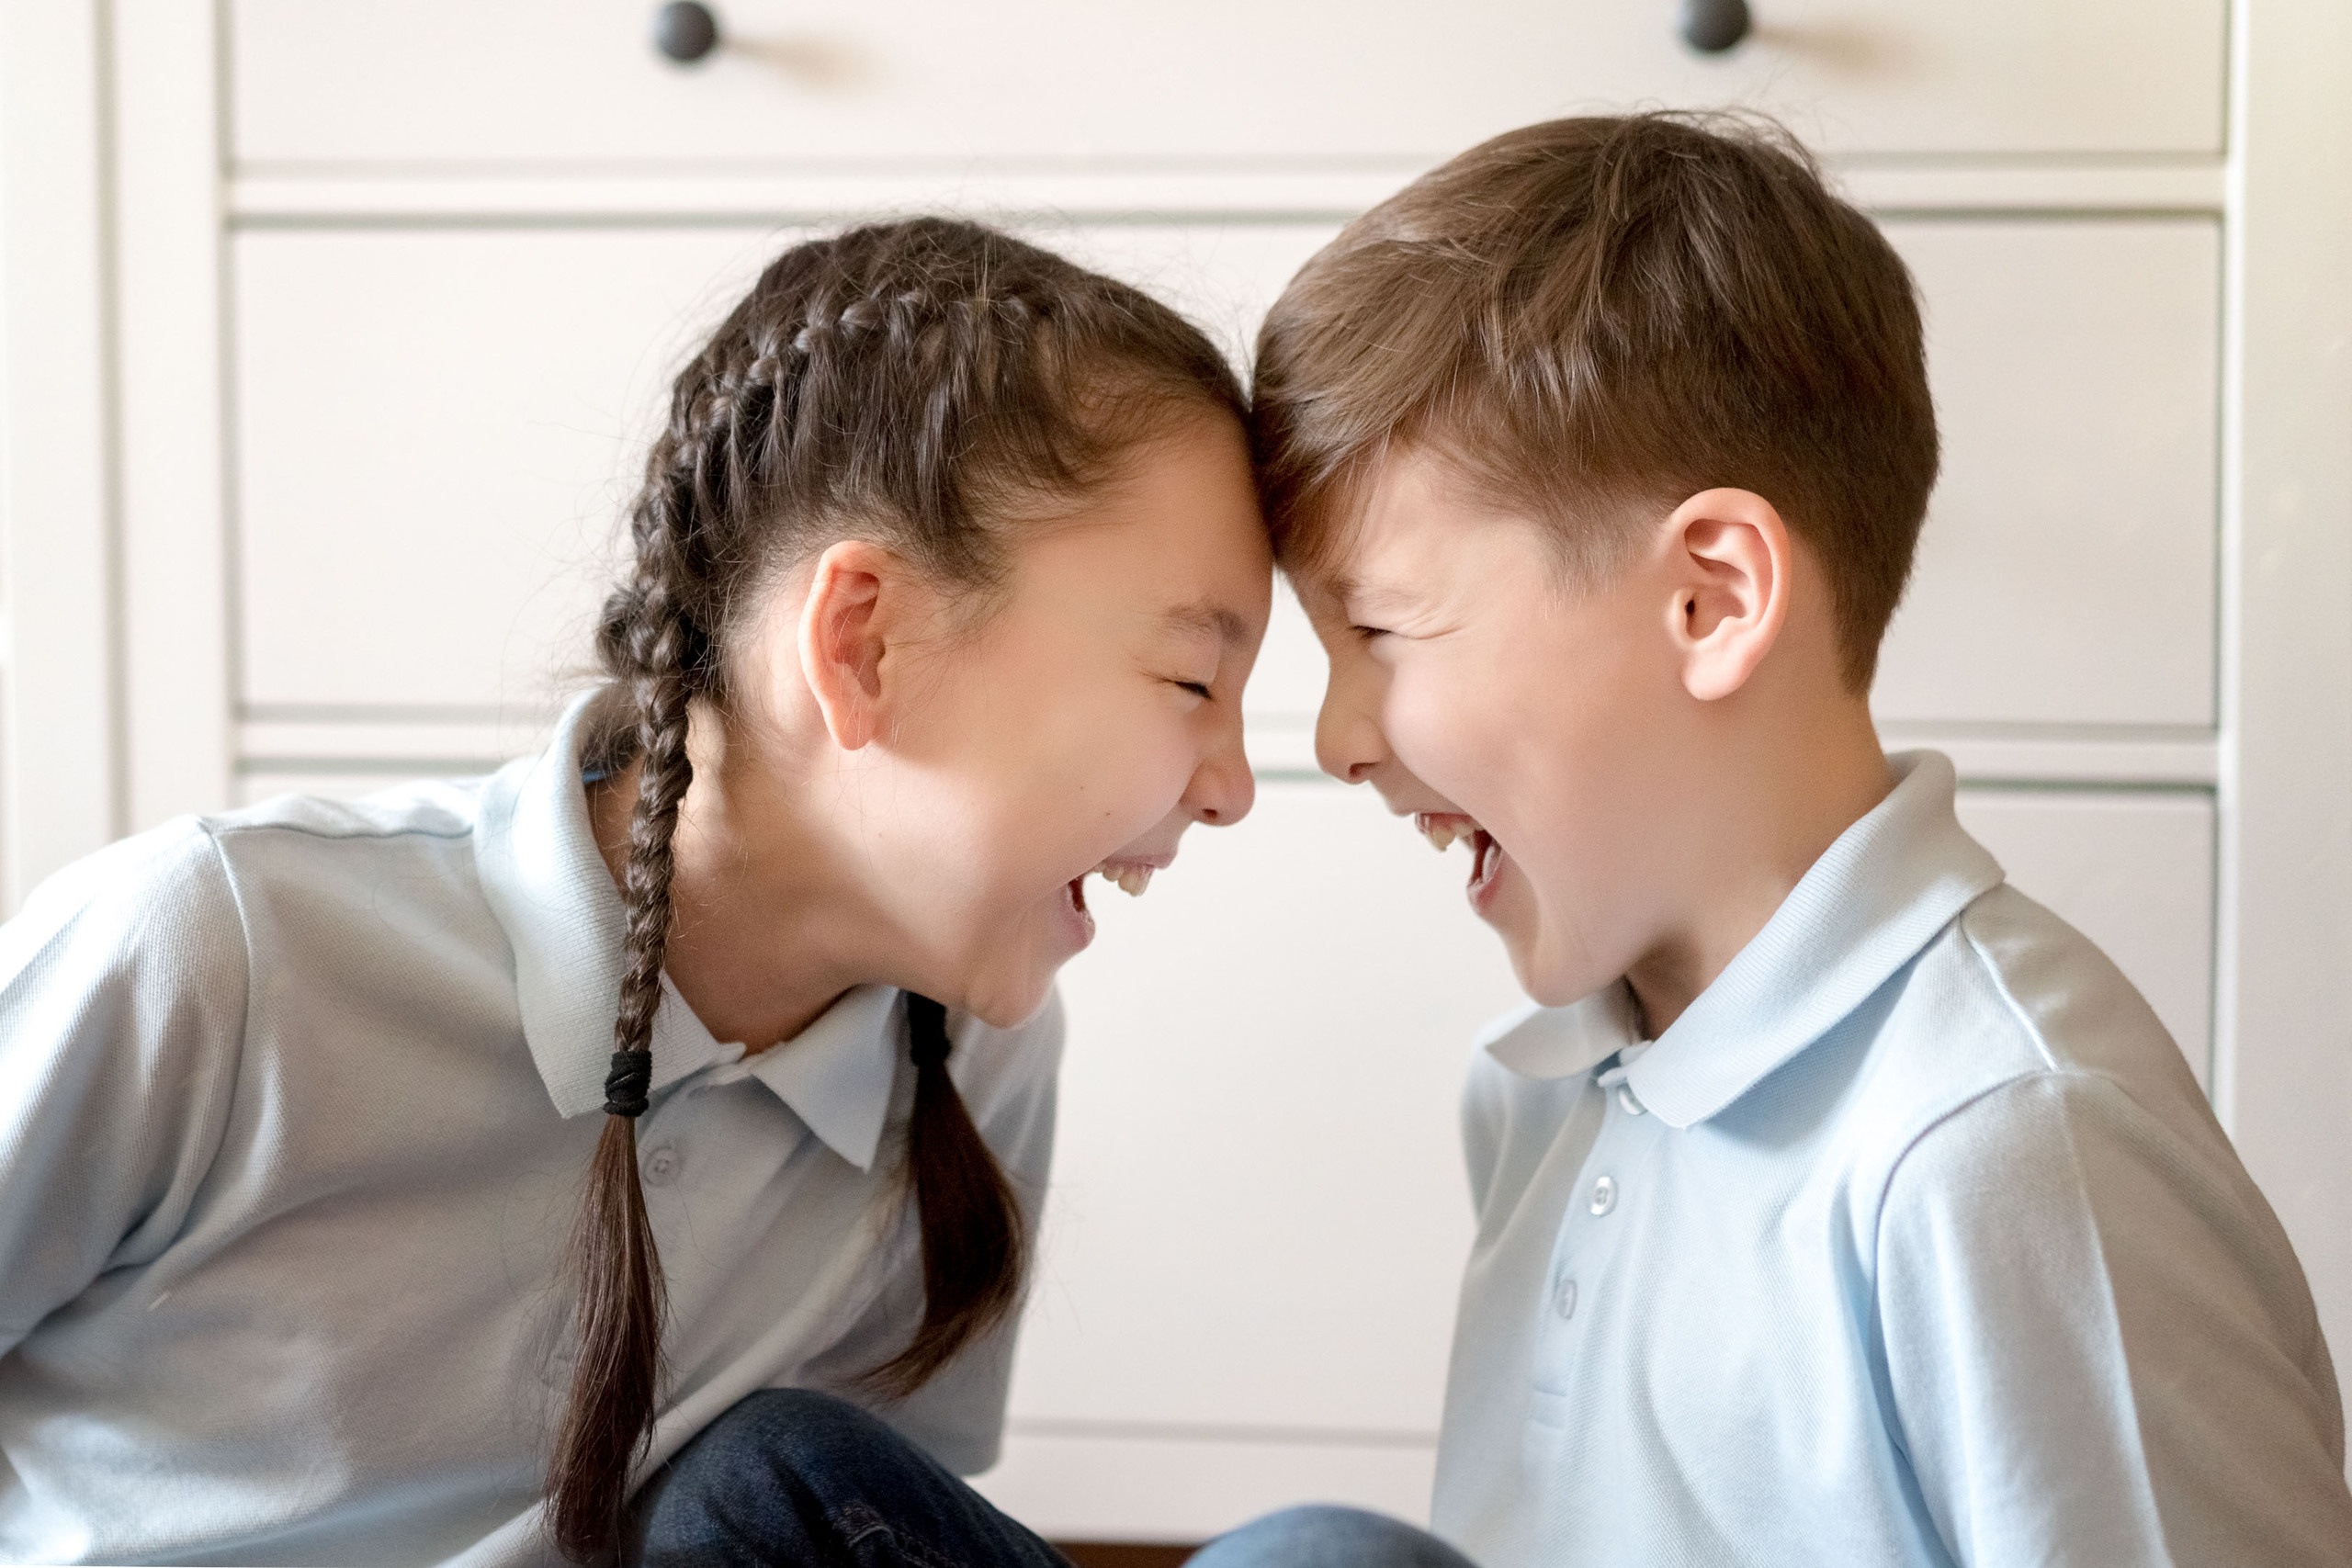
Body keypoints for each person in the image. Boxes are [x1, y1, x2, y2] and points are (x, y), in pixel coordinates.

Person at [0, 216, 1269, 1567]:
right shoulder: (220, 952)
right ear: (865, 643)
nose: (1235, 787)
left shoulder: (973, 1057)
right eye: (1193, 679)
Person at [1204, 110, 2352, 1565]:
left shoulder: (2000, 1142)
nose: (1335, 740)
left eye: (1377, 632)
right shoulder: (1544, 1092)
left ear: (1713, 601)